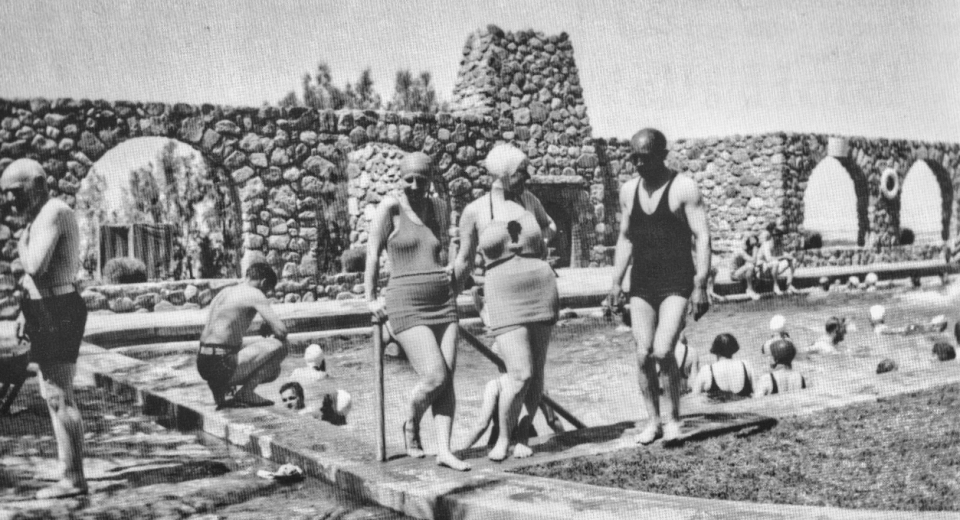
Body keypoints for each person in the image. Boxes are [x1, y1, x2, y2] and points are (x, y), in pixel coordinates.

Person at [365, 152, 468, 471]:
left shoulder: (438, 207)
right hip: (405, 302)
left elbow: (446, 250)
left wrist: (453, 266)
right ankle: (411, 420)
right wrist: (370, 298)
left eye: (421, 180)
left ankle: (445, 450)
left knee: (446, 380)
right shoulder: (390, 208)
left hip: (443, 301)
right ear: (400, 178)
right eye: (408, 178)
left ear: (431, 180)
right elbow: (372, 254)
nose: (414, 185)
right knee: (434, 375)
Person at [456, 143, 559, 461]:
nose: (528, 176)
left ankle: (521, 433)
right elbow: (464, 259)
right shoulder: (475, 211)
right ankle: (502, 438)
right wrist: (449, 291)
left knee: (537, 375)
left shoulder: (530, 200)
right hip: (502, 294)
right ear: (501, 175)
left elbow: (550, 227)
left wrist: (542, 244)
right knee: (520, 373)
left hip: (540, 289)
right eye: (521, 172)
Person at [608, 128, 711, 445]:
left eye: (645, 158)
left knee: (664, 349)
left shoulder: (683, 187)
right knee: (642, 355)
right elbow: (625, 238)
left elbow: (702, 237)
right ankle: (652, 421)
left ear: (662, 156)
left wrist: (701, 285)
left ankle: (674, 420)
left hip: (676, 281)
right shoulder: (629, 191)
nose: (638, 164)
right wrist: (615, 282)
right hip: (643, 282)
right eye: (634, 158)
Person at [2, 159, 88, 499]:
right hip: (45, 307)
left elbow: (36, 266)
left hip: (58, 309)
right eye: (4, 196)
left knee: (58, 395)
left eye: (14, 193)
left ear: (37, 183)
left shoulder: (53, 211)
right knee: (52, 396)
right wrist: (26, 310)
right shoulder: (40, 215)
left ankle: (74, 478)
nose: (9, 201)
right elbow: (36, 278)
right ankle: (70, 470)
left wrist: (22, 242)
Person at [197, 262, 288, 408]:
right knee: (281, 347)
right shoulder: (254, 293)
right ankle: (246, 392)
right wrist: (270, 329)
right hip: (221, 365)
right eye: (267, 290)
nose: (266, 295)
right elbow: (282, 332)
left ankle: (220, 393)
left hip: (203, 363)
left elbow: (224, 334)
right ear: (263, 282)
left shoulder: (225, 292)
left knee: (235, 346)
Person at [692, 333, 756, 400]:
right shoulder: (746, 366)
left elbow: (694, 398)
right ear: (734, 348)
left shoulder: (706, 370)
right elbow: (756, 394)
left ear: (715, 350)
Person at [279, 381, 352, 425]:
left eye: (291, 398)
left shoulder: (308, 413)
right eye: (284, 400)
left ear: (301, 397)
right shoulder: (285, 412)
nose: (288, 403)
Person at [757, 227, 798, 295]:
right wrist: (784, 256)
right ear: (773, 237)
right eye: (778, 236)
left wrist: (789, 256)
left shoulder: (779, 244)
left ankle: (789, 285)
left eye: (780, 236)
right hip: (762, 271)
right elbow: (769, 259)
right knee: (775, 263)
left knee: (793, 260)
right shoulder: (766, 244)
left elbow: (782, 254)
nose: (780, 238)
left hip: (773, 269)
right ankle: (775, 286)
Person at [731, 234, 761, 300]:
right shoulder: (741, 250)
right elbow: (753, 260)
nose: (754, 246)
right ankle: (749, 290)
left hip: (741, 271)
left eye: (755, 245)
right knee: (750, 266)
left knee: (756, 269)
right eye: (752, 245)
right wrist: (755, 250)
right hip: (734, 274)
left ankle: (754, 290)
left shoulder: (747, 250)